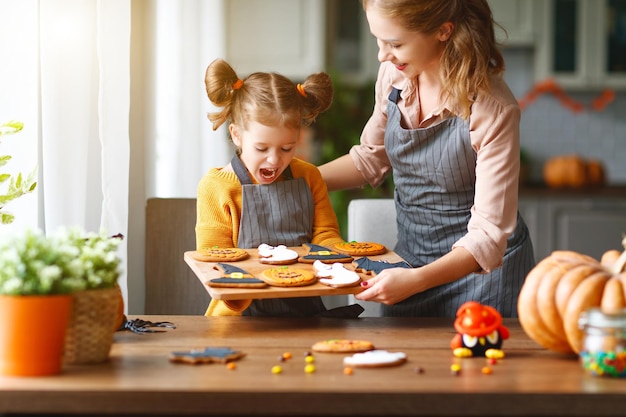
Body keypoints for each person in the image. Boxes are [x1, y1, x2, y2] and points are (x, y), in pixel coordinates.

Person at [318, 0, 535, 318]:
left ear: (443, 30)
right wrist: (296, 177)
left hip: (483, 283)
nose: (383, 55)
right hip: (408, 269)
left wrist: (415, 281)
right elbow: (370, 159)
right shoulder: (394, 77)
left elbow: (487, 237)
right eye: (379, 40)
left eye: (395, 44)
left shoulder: (492, 108)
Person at [196, 58, 346, 317]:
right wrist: (242, 288)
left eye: (287, 148)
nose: (275, 160)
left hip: (303, 306)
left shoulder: (308, 176)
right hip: (238, 311)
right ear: (237, 135)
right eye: (262, 148)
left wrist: (336, 266)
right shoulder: (216, 187)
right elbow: (215, 260)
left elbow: (326, 237)